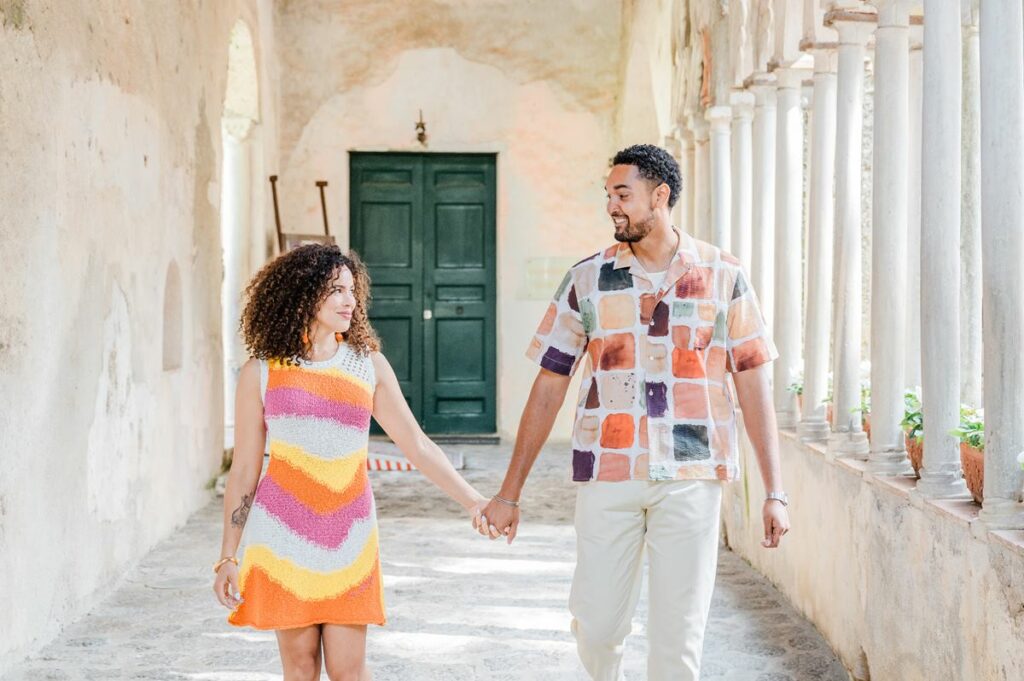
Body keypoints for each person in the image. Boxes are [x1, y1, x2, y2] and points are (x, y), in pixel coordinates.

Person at [475, 144, 790, 681]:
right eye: (609, 195)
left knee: (678, 641)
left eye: (623, 194)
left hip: (693, 474)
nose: (612, 206)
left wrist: (774, 491)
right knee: (596, 627)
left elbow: (754, 381)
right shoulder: (587, 279)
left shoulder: (724, 274)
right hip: (608, 470)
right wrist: (509, 492)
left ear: (660, 196)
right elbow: (550, 385)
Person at [214, 244, 487, 681]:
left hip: (349, 539)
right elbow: (245, 471)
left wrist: (474, 501)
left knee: (349, 672)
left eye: (351, 290)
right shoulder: (261, 372)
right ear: (302, 294)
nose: (350, 301)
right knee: (299, 670)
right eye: (336, 290)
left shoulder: (367, 365)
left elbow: (416, 444)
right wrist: (227, 557)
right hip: (281, 540)